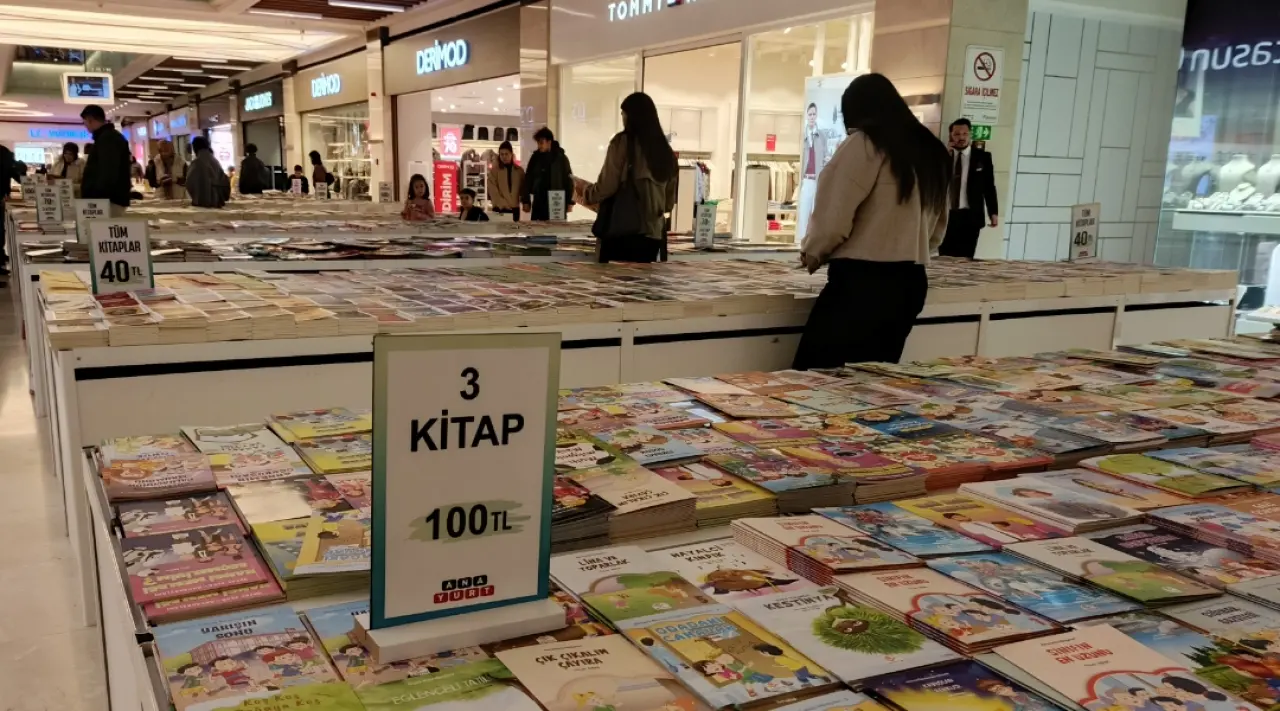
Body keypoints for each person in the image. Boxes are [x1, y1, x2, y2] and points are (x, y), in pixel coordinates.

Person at [793, 73, 951, 369]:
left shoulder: (865, 144)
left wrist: (813, 253)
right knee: (875, 377)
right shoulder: (932, 151)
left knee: (817, 377)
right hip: (911, 281)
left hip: (862, 282)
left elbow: (832, 218)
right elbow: (938, 230)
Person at [574, 92, 677, 263]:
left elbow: (607, 186)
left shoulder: (623, 143)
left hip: (623, 229)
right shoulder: (665, 151)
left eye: (623, 114)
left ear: (631, 116)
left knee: (615, 278)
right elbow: (668, 204)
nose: (622, 118)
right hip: (653, 234)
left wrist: (586, 192)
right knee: (643, 280)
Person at [939, 118, 999, 259]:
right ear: (951, 135)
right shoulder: (942, 156)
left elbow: (989, 186)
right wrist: (944, 156)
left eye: (965, 134)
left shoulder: (983, 157)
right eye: (957, 134)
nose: (961, 137)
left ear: (970, 134)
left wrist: (993, 212)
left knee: (966, 257)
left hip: (971, 216)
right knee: (944, 257)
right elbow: (933, 179)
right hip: (946, 215)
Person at [79, 104, 132, 213]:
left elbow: (108, 172)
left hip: (108, 201)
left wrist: (96, 198)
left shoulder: (107, 139)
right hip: (108, 200)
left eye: (85, 122)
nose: (85, 126)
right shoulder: (107, 137)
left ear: (90, 120)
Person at [521, 127, 574, 221]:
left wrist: (570, 202)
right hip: (539, 200)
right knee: (537, 228)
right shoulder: (535, 158)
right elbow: (528, 179)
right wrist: (526, 200)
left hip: (557, 200)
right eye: (538, 143)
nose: (539, 146)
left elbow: (569, 180)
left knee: (556, 228)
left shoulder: (561, 158)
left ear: (549, 142)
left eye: (541, 142)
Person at [798, 102, 829, 240]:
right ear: (807, 115)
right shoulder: (803, 136)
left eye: (813, 114)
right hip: (806, 180)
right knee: (804, 214)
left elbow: (826, 156)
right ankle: (801, 242)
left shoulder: (822, 136)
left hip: (818, 180)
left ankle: (814, 242)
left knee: (817, 214)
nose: (811, 117)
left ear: (816, 115)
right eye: (809, 114)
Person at [185, 136, 230, 208]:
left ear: (195, 147)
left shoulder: (197, 162)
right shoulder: (215, 161)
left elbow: (190, 183)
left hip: (202, 202)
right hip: (217, 201)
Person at [488, 140, 525, 221]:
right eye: (502, 154)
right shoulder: (494, 171)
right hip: (500, 208)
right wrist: (502, 203)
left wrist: (525, 201)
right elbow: (492, 190)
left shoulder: (519, 171)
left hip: (515, 208)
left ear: (511, 154)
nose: (504, 157)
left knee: (514, 228)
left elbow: (523, 189)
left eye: (506, 154)